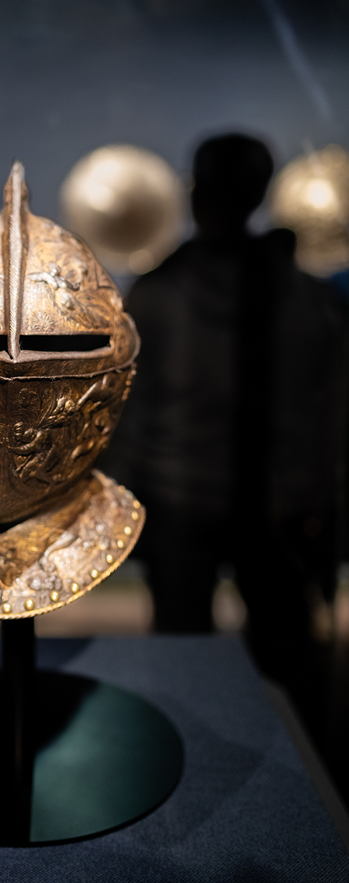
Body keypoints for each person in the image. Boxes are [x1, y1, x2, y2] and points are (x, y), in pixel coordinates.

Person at [101, 133, 344, 723]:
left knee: (185, 663)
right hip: (274, 504)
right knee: (287, 668)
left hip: (184, 499)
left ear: (195, 193)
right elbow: (325, 416)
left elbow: (127, 411)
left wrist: (120, 493)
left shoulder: (157, 294)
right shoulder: (305, 297)